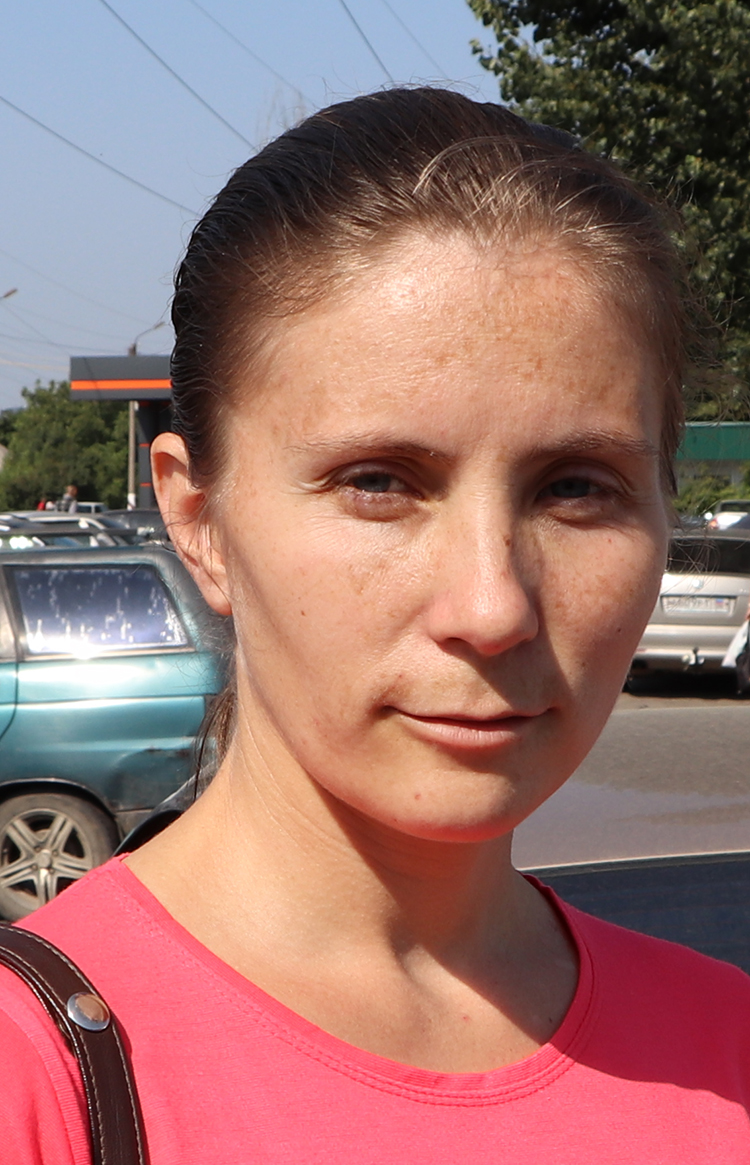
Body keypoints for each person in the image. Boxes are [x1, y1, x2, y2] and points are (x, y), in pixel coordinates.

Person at [2, 88, 749, 1162]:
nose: (492, 606)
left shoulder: (724, 1047)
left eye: (576, 487)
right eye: (379, 482)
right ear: (199, 520)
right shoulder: (35, 1081)